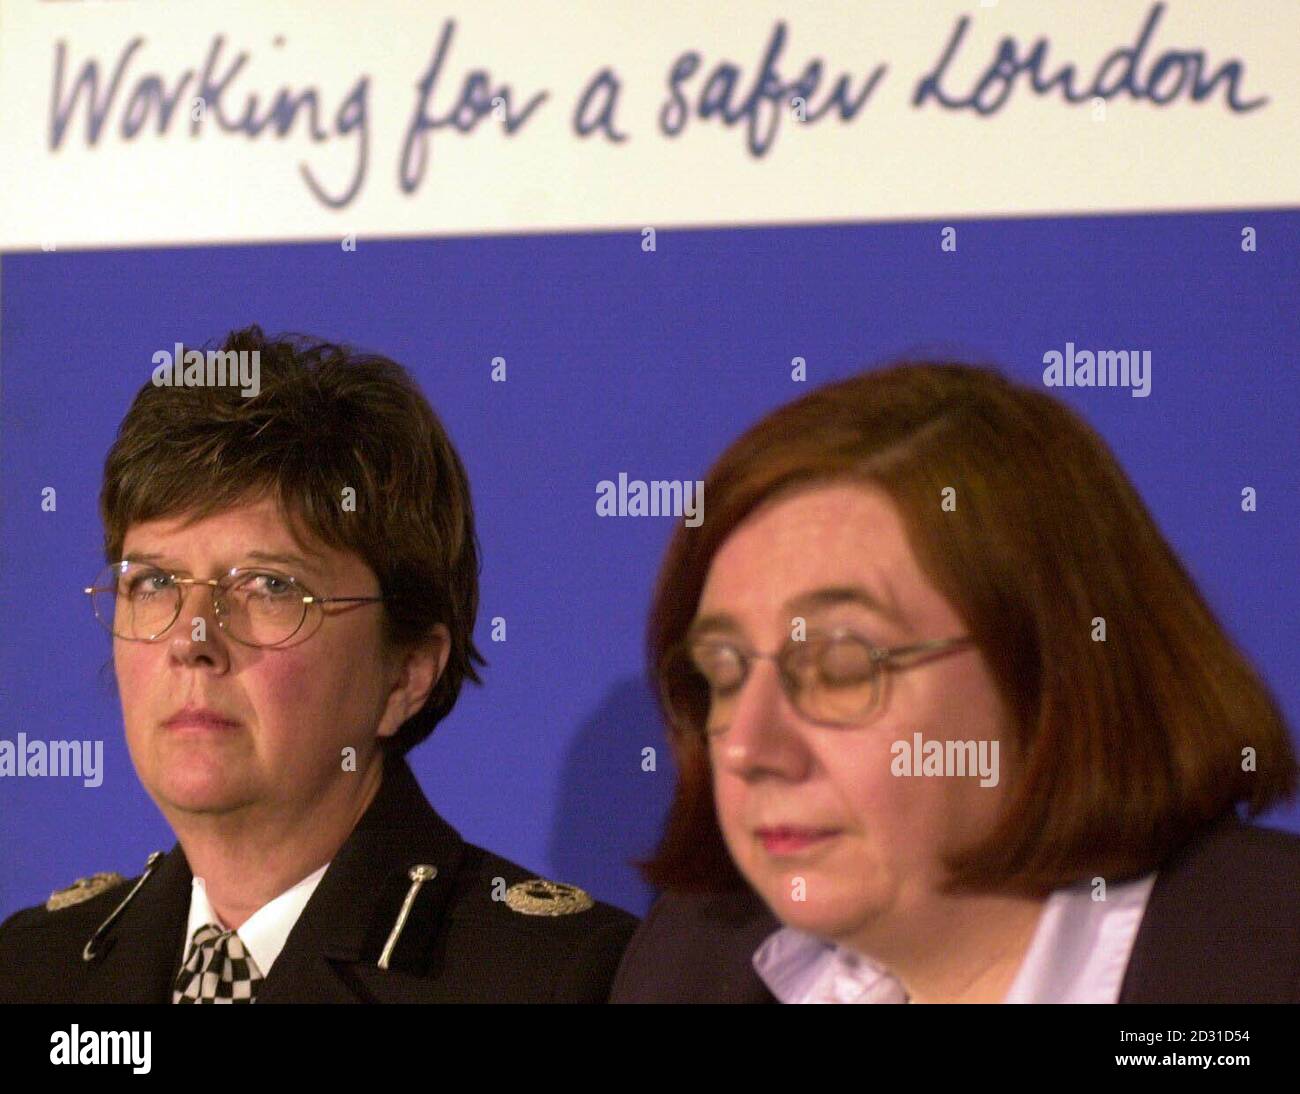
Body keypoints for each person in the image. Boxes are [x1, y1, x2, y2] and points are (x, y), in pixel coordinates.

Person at [610, 361, 1300, 1004]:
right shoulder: (691, 971)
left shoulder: (1267, 959)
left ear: (1050, 672)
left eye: (841, 666)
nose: (747, 748)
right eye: (724, 674)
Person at [0, 326, 636, 1003]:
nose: (191, 638)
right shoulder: (33, 971)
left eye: (269, 587)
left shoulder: (555, 981)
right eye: (153, 583)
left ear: (407, 673)